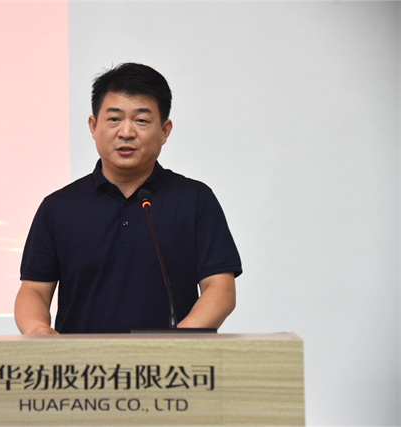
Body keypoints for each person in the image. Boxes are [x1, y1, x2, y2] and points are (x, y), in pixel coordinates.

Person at [14, 63, 242, 334]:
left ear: (165, 131)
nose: (126, 133)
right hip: (81, 360)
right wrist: (37, 330)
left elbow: (220, 289)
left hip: (169, 359)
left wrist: (176, 345)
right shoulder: (58, 208)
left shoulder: (195, 200)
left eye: (141, 120)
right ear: (93, 126)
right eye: (114, 119)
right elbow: (34, 291)